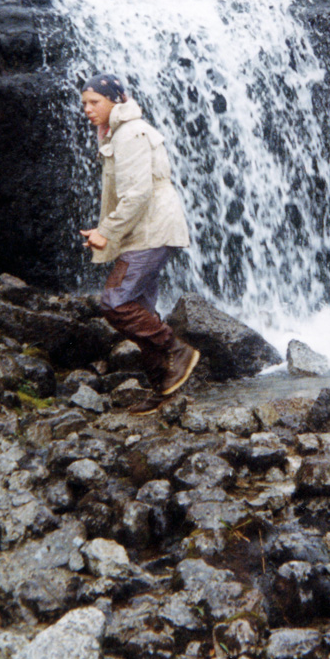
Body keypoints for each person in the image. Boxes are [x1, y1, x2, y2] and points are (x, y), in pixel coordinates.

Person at [79, 73, 199, 414]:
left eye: (94, 102)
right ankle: (165, 388)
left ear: (116, 100)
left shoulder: (130, 133)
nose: (87, 109)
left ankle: (176, 350)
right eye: (84, 103)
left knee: (116, 302)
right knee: (143, 311)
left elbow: (138, 194)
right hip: (145, 230)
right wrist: (105, 228)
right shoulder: (120, 131)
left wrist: (108, 231)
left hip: (151, 231)